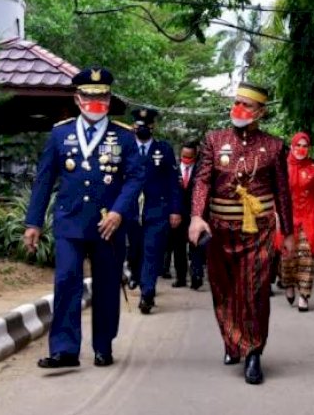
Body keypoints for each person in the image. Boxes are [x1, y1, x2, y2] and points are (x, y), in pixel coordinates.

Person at [24, 67, 144, 368]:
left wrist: (118, 211)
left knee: (105, 285)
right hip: (69, 222)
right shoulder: (60, 133)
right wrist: (33, 223)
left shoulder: (124, 136)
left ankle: (103, 345)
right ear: (77, 99)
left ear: (109, 98)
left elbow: (136, 177)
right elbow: (44, 179)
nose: (96, 102)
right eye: (89, 96)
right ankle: (65, 349)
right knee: (66, 281)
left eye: (102, 96)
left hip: (108, 225)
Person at [188, 82, 294, 385]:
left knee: (256, 290)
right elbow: (202, 182)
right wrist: (197, 216)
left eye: (247, 105)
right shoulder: (213, 140)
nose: (240, 109)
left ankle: (253, 352)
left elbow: (282, 192)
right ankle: (231, 339)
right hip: (220, 230)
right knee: (224, 288)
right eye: (237, 102)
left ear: (260, 112)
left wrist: (286, 232)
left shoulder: (274, 146)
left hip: (258, 231)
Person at [127, 107, 181, 315]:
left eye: (146, 126)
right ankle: (137, 277)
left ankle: (147, 293)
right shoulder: (126, 149)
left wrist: (175, 209)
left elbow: (173, 183)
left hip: (156, 210)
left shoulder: (164, 150)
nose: (142, 129)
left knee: (152, 251)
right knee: (135, 251)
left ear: (152, 127)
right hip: (130, 210)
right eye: (138, 126)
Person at [279, 132, 314, 312]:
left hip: (309, 217)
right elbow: (277, 195)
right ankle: (289, 285)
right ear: (291, 147)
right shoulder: (282, 168)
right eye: (297, 145)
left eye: (304, 146)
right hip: (287, 218)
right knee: (288, 257)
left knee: (307, 257)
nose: (301, 149)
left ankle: (304, 296)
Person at [170, 140, 205, 290]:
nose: (186, 159)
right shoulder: (173, 169)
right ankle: (181, 277)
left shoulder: (202, 169)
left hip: (196, 213)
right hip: (178, 214)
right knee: (178, 247)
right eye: (184, 156)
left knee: (196, 244)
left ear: (196, 156)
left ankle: (197, 276)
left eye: (190, 157)